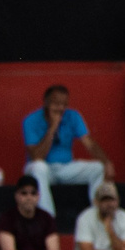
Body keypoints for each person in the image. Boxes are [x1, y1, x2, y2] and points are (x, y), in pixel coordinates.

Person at [20, 84, 105, 219]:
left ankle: (98, 218)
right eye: (56, 104)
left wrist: (107, 163)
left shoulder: (73, 116)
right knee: (39, 167)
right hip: (41, 170)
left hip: (65, 168)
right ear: (46, 103)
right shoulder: (30, 120)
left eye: (64, 104)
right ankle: (48, 219)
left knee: (98, 168)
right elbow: (37, 156)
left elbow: (89, 144)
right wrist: (53, 127)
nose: (60, 108)